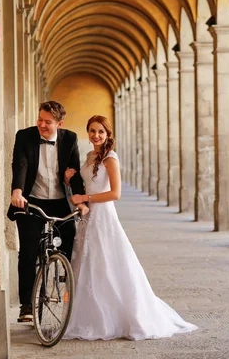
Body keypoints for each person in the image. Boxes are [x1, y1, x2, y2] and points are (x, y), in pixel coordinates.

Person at [62, 115, 197, 340]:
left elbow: (115, 193)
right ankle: (90, 316)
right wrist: (70, 182)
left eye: (101, 132)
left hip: (104, 216)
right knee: (89, 263)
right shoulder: (89, 156)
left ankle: (120, 316)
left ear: (108, 135)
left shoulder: (110, 159)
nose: (96, 135)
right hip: (88, 216)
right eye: (93, 131)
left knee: (108, 262)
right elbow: (86, 184)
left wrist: (84, 196)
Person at [7, 101, 89, 323]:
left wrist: (80, 200)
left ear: (59, 123)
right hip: (30, 200)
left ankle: (65, 284)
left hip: (60, 200)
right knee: (28, 252)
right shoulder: (24, 136)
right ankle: (26, 306)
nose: (42, 125)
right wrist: (17, 191)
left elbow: (74, 172)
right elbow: (20, 165)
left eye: (48, 122)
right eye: (40, 119)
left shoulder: (69, 138)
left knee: (69, 240)